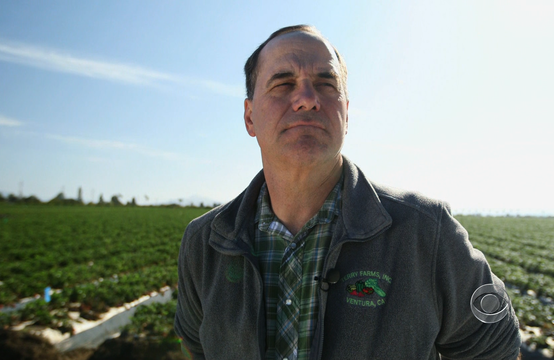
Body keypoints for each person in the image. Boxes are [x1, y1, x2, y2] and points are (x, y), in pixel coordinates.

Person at [174, 25, 521, 360]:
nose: (307, 99)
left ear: (346, 113)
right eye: (283, 84)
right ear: (249, 117)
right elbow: (196, 347)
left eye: (326, 84)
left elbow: (494, 349)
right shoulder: (204, 244)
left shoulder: (428, 233)